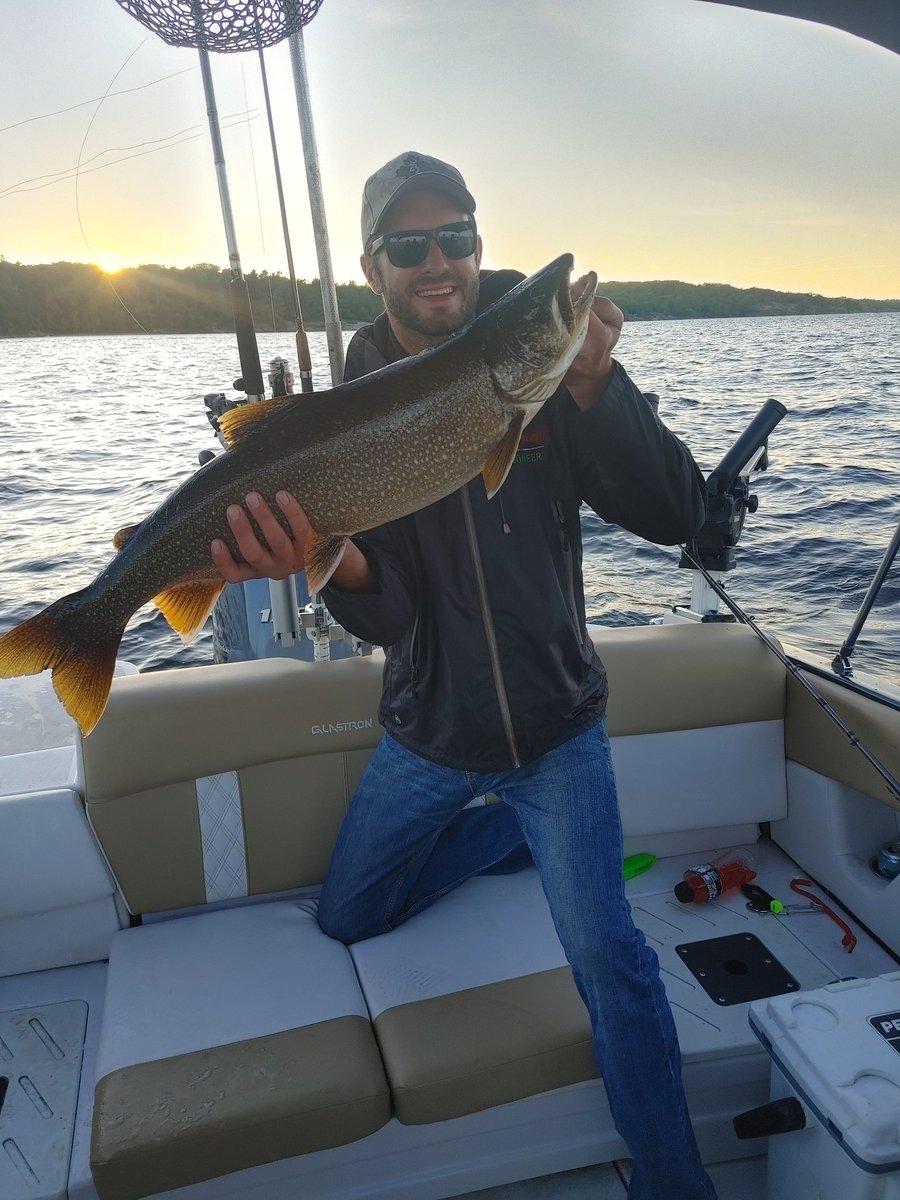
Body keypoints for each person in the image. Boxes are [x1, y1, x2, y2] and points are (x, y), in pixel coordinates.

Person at [210, 151, 717, 1200]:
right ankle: (495, 832)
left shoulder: (540, 381)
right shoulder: (346, 408)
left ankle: (676, 1186)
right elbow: (390, 613)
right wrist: (323, 555)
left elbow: (685, 518)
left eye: (459, 239)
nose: (440, 261)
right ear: (372, 266)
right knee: (349, 915)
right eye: (411, 245)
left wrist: (595, 385)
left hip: (559, 732)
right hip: (427, 732)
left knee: (612, 966)